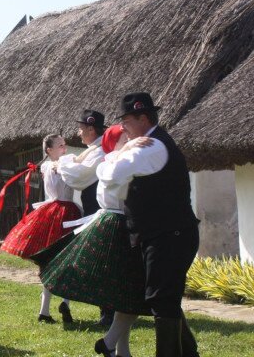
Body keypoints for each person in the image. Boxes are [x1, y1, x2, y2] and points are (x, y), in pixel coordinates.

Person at [36, 125, 148, 357]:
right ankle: (110, 343)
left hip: (122, 224)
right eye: (123, 137)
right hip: (116, 226)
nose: (129, 139)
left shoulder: (120, 158)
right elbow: (106, 169)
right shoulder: (110, 162)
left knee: (126, 292)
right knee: (128, 290)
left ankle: (120, 349)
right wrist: (125, 147)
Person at [111, 93, 200, 357]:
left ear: (142, 118)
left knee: (162, 299)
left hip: (170, 234)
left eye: (126, 120)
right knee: (162, 297)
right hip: (160, 233)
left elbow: (110, 175)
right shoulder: (145, 144)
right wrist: (123, 150)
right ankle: (190, 353)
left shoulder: (151, 146)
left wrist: (121, 152)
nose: (122, 127)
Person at [0, 134, 81, 324]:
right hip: (64, 213)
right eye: (60, 145)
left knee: (57, 259)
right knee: (63, 259)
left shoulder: (51, 165)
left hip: (52, 212)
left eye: (64, 145)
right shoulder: (55, 165)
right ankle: (61, 305)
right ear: (49, 150)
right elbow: (71, 164)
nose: (64, 148)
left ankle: (49, 309)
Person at [56, 109, 113, 327]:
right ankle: (106, 312)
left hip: (101, 212)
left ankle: (109, 313)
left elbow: (78, 178)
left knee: (103, 262)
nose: (78, 133)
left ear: (91, 128)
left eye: (81, 129)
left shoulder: (100, 152)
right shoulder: (92, 150)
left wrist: (63, 162)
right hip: (94, 210)